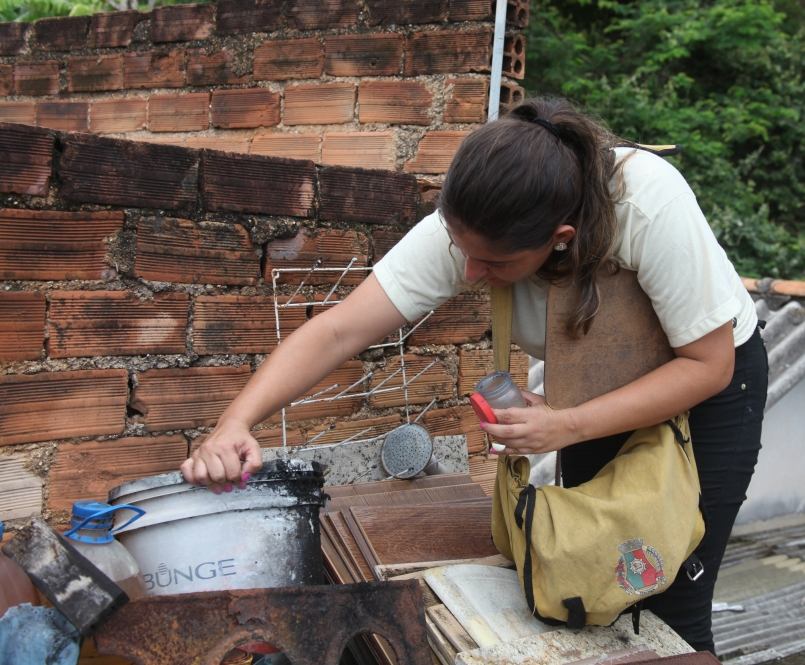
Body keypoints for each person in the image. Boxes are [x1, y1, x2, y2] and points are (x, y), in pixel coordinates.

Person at [180, 97, 768, 655]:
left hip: (709, 389)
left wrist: (567, 424)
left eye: (494, 264)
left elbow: (707, 364)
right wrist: (236, 421)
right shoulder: (472, 228)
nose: (469, 270)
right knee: (595, 587)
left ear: (559, 239)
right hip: (592, 392)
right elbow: (338, 331)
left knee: (670, 601)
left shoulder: (647, 203)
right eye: (462, 250)